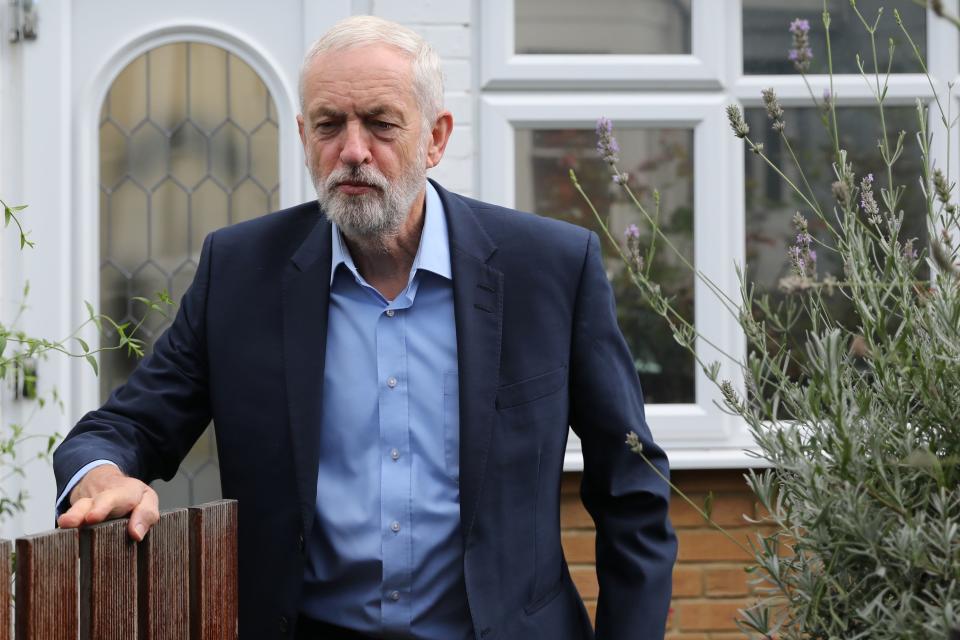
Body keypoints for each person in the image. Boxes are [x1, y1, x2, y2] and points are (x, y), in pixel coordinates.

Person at [53, 15, 676, 640]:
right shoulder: (241, 274)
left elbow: (631, 486)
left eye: (380, 123)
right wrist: (104, 478)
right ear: (303, 136)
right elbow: (122, 428)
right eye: (329, 125)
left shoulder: (548, 270)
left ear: (435, 138)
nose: (352, 150)